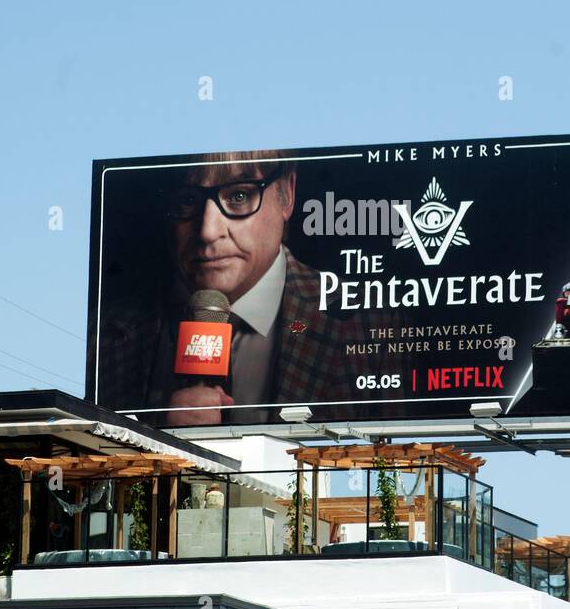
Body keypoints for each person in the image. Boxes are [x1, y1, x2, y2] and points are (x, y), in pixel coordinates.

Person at [96, 150, 403, 425]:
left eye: (239, 196)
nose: (208, 231)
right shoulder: (107, 331)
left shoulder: (366, 319)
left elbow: (392, 466)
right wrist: (157, 433)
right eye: (188, 200)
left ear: (287, 194)